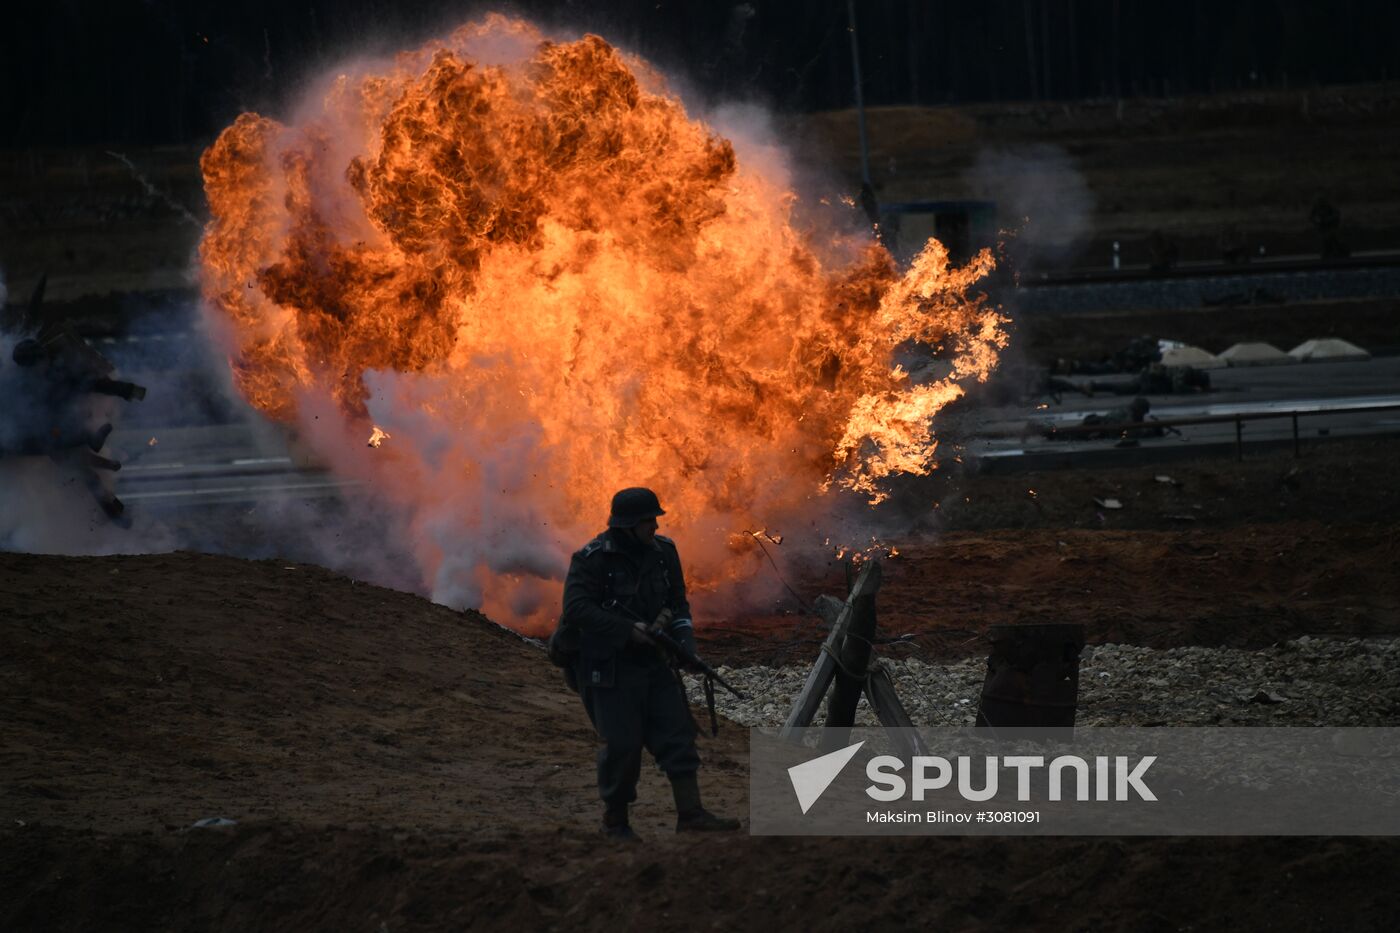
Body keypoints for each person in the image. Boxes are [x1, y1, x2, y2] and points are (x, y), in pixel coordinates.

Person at [556, 487, 741, 840]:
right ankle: (616, 823)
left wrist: (686, 648)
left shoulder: (663, 553)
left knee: (677, 736)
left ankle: (691, 814)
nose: (654, 527)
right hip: (607, 667)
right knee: (623, 745)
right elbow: (576, 609)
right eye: (647, 522)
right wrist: (628, 631)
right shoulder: (592, 559)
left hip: (653, 663)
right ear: (626, 525)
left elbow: (677, 603)